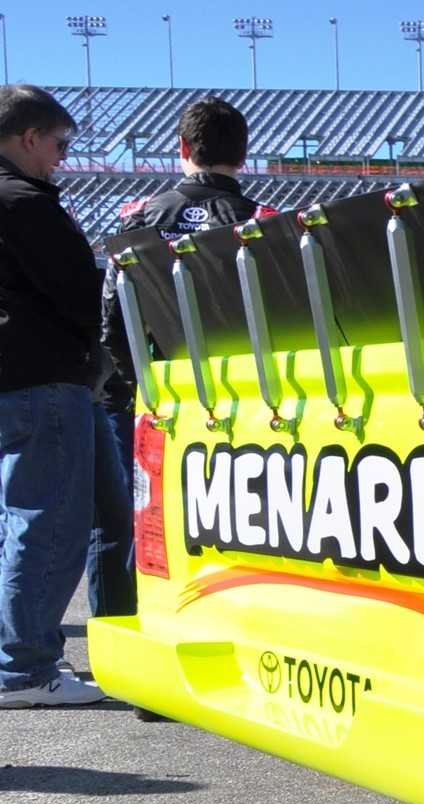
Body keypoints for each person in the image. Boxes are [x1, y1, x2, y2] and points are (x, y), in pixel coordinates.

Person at [92, 97, 268, 618]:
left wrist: (136, 388)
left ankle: (123, 633)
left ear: (183, 148)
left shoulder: (138, 216)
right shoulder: (263, 219)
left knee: (137, 522)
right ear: (242, 154)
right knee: (236, 521)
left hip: (152, 399)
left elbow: (112, 319)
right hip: (241, 400)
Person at [0, 86, 111, 705]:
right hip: (42, 378)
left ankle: (17, 657)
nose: (63, 158)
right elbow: (78, 294)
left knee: (19, 521)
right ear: (29, 138)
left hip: (15, 378)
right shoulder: (22, 200)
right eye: (60, 145)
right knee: (47, 521)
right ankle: (27, 666)